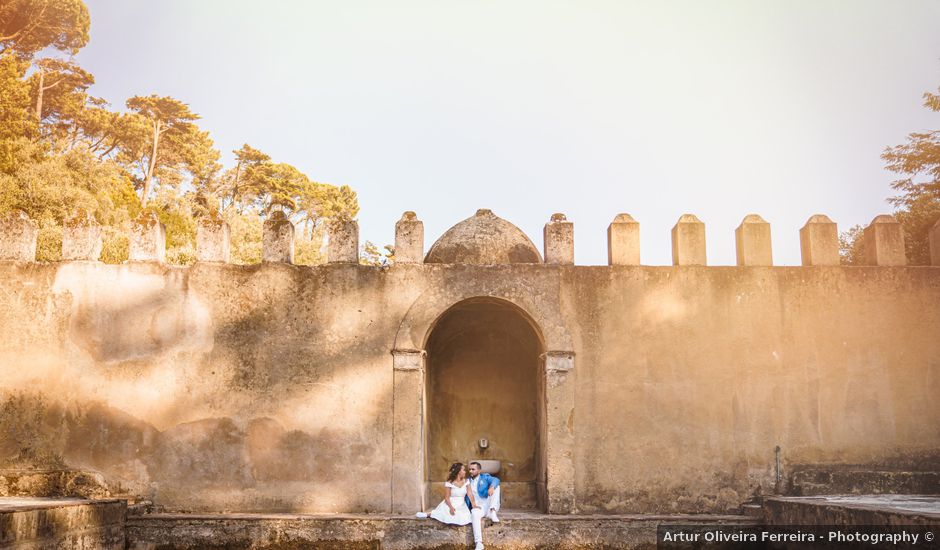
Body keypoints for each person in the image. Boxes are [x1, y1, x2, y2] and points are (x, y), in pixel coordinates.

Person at [426, 462, 486, 550]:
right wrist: (450, 507)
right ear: (458, 471)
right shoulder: (449, 482)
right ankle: (428, 514)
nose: (466, 471)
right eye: (463, 470)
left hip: (461, 504)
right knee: (441, 514)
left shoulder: (466, 481)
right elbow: (446, 497)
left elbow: (470, 494)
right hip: (450, 502)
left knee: (464, 517)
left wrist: (474, 505)